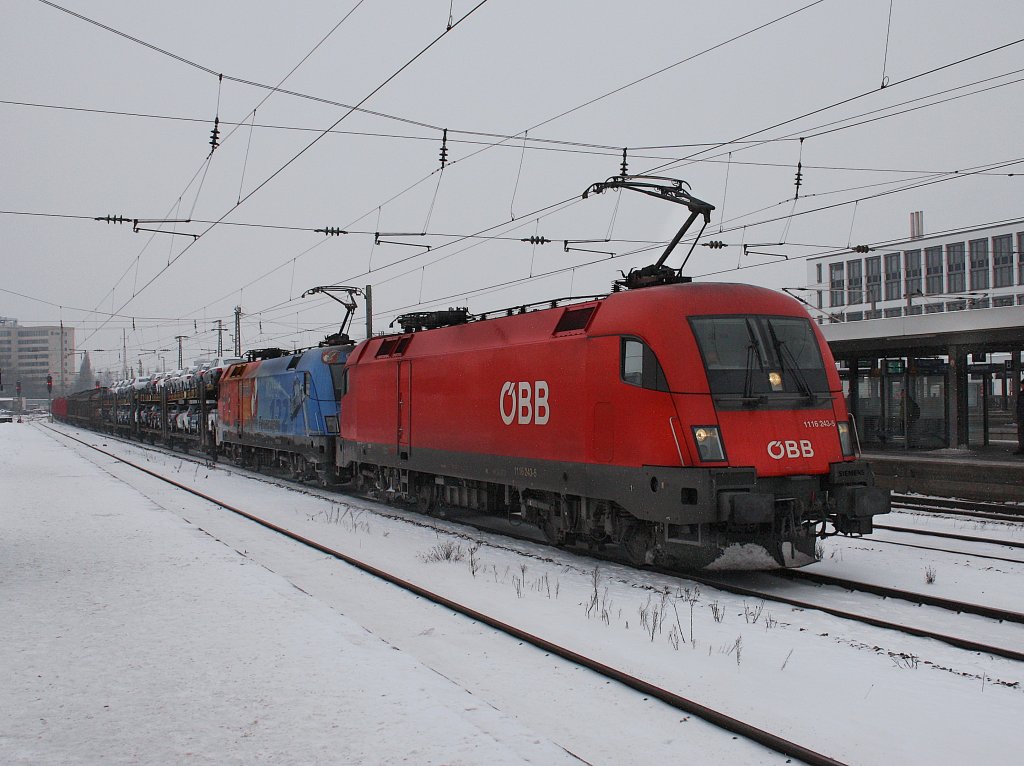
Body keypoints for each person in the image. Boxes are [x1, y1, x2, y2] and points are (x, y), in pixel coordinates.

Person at [1015, 378, 1024, 455]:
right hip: (1021, 417)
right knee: (1021, 433)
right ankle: (1021, 447)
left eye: (1022, 385)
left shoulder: (1021, 395)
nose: (1021, 386)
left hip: (1021, 417)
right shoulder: (1020, 394)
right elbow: (1018, 406)